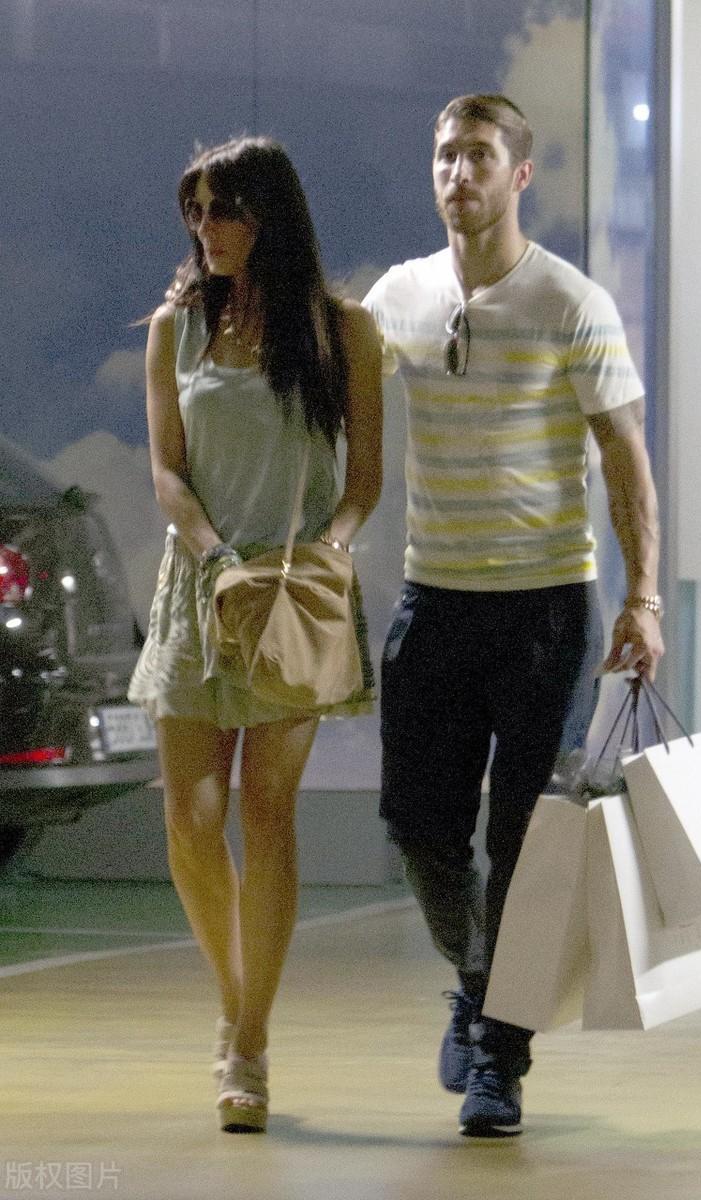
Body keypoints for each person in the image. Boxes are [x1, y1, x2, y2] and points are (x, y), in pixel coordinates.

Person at [362, 94, 664, 1138]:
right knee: (419, 828)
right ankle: (479, 980)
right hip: (434, 602)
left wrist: (642, 597)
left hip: (546, 609)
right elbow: (324, 382)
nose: (459, 173)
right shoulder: (398, 296)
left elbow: (625, 459)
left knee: (526, 843)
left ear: (518, 175)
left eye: (479, 157)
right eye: (445, 155)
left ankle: (500, 1057)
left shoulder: (570, 301)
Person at [128, 136, 382, 1133]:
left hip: (295, 597)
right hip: (200, 589)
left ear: (269, 214)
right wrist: (215, 558)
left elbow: (363, 483)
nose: (207, 229)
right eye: (194, 212)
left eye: (223, 209)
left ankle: (249, 1043)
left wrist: (323, 556)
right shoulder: (176, 327)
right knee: (191, 820)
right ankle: (236, 1002)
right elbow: (166, 471)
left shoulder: (342, 331)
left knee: (268, 809)